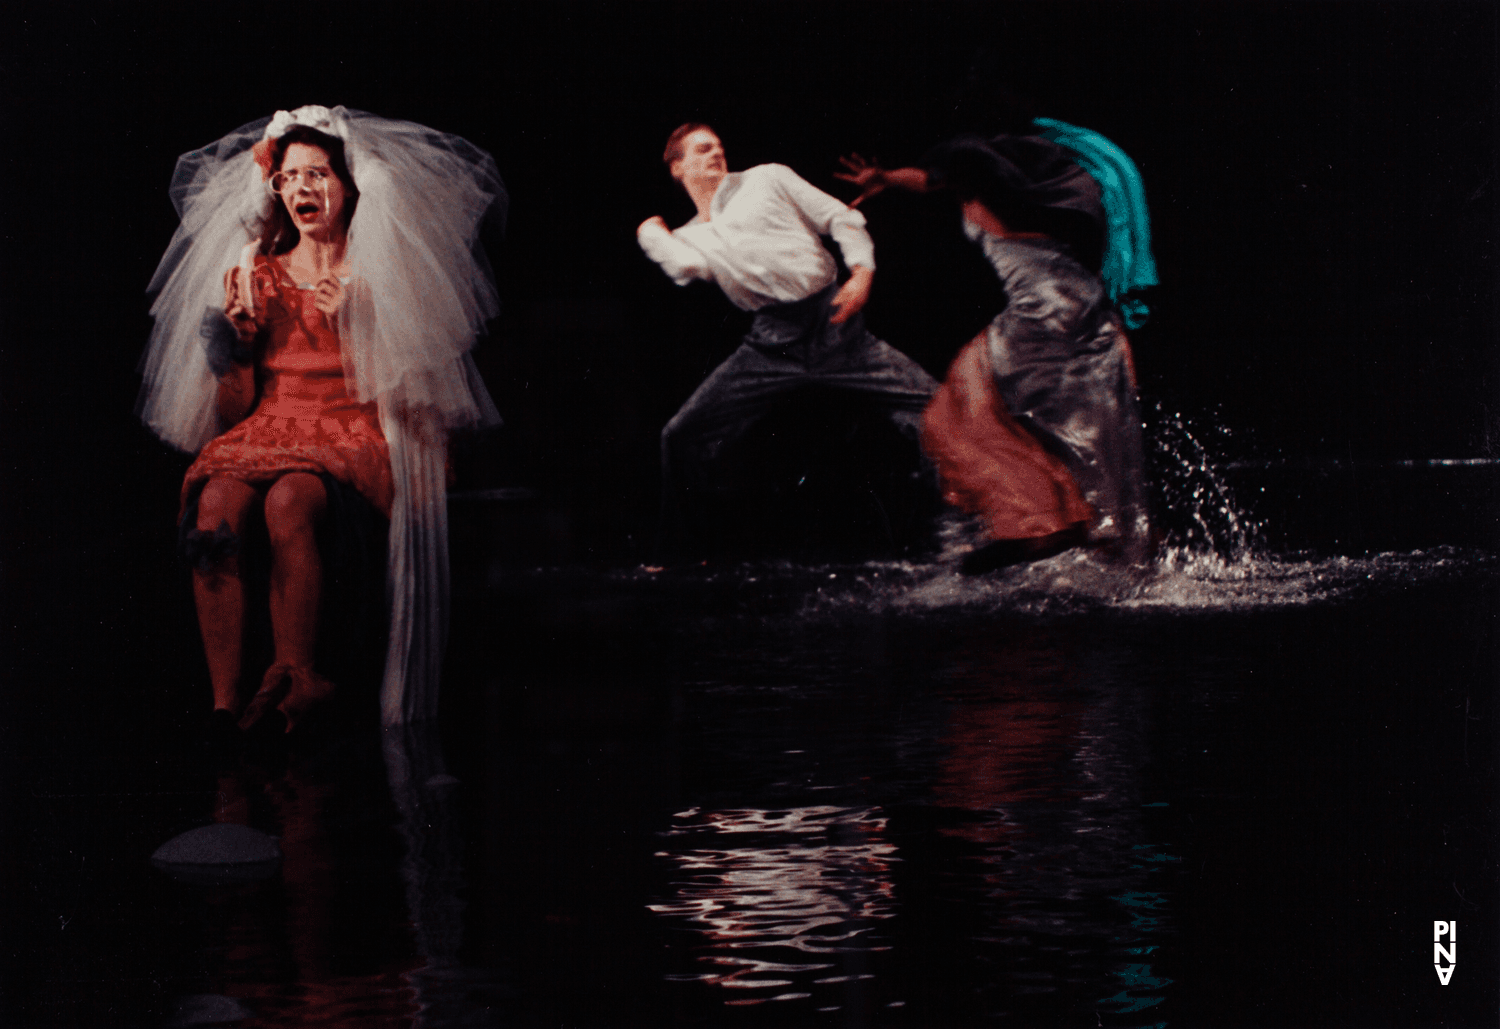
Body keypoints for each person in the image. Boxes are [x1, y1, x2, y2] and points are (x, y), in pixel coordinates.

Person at [139, 105, 505, 736]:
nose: (303, 188)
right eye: (289, 177)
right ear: (275, 189)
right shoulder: (257, 272)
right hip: (273, 425)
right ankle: (224, 704)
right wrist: (239, 346)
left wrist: (359, 325)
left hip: (349, 427)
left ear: (347, 183)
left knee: (288, 501)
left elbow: (409, 390)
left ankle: (296, 675)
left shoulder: (376, 275)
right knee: (214, 509)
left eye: (318, 174)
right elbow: (232, 413)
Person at [836, 133, 1150, 569]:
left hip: (1040, 314)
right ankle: (1073, 525)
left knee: (950, 418)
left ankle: (1037, 523)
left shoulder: (981, 181)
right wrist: (887, 180)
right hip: (1085, 310)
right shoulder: (1053, 197)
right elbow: (936, 179)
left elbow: (933, 177)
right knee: (1034, 426)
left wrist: (885, 178)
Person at [637, 124, 938, 554]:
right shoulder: (689, 237)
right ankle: (681, 553)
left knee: (938, 410)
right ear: (677, 167)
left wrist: (861, 273)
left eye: (720, 146)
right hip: (771, 342)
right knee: (681, 435)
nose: (717, 154)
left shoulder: (767, 179)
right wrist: (652, 234)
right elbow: (685, 267)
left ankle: (951, 537)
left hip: (835, 324)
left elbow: (841, 216)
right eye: (703, 150)